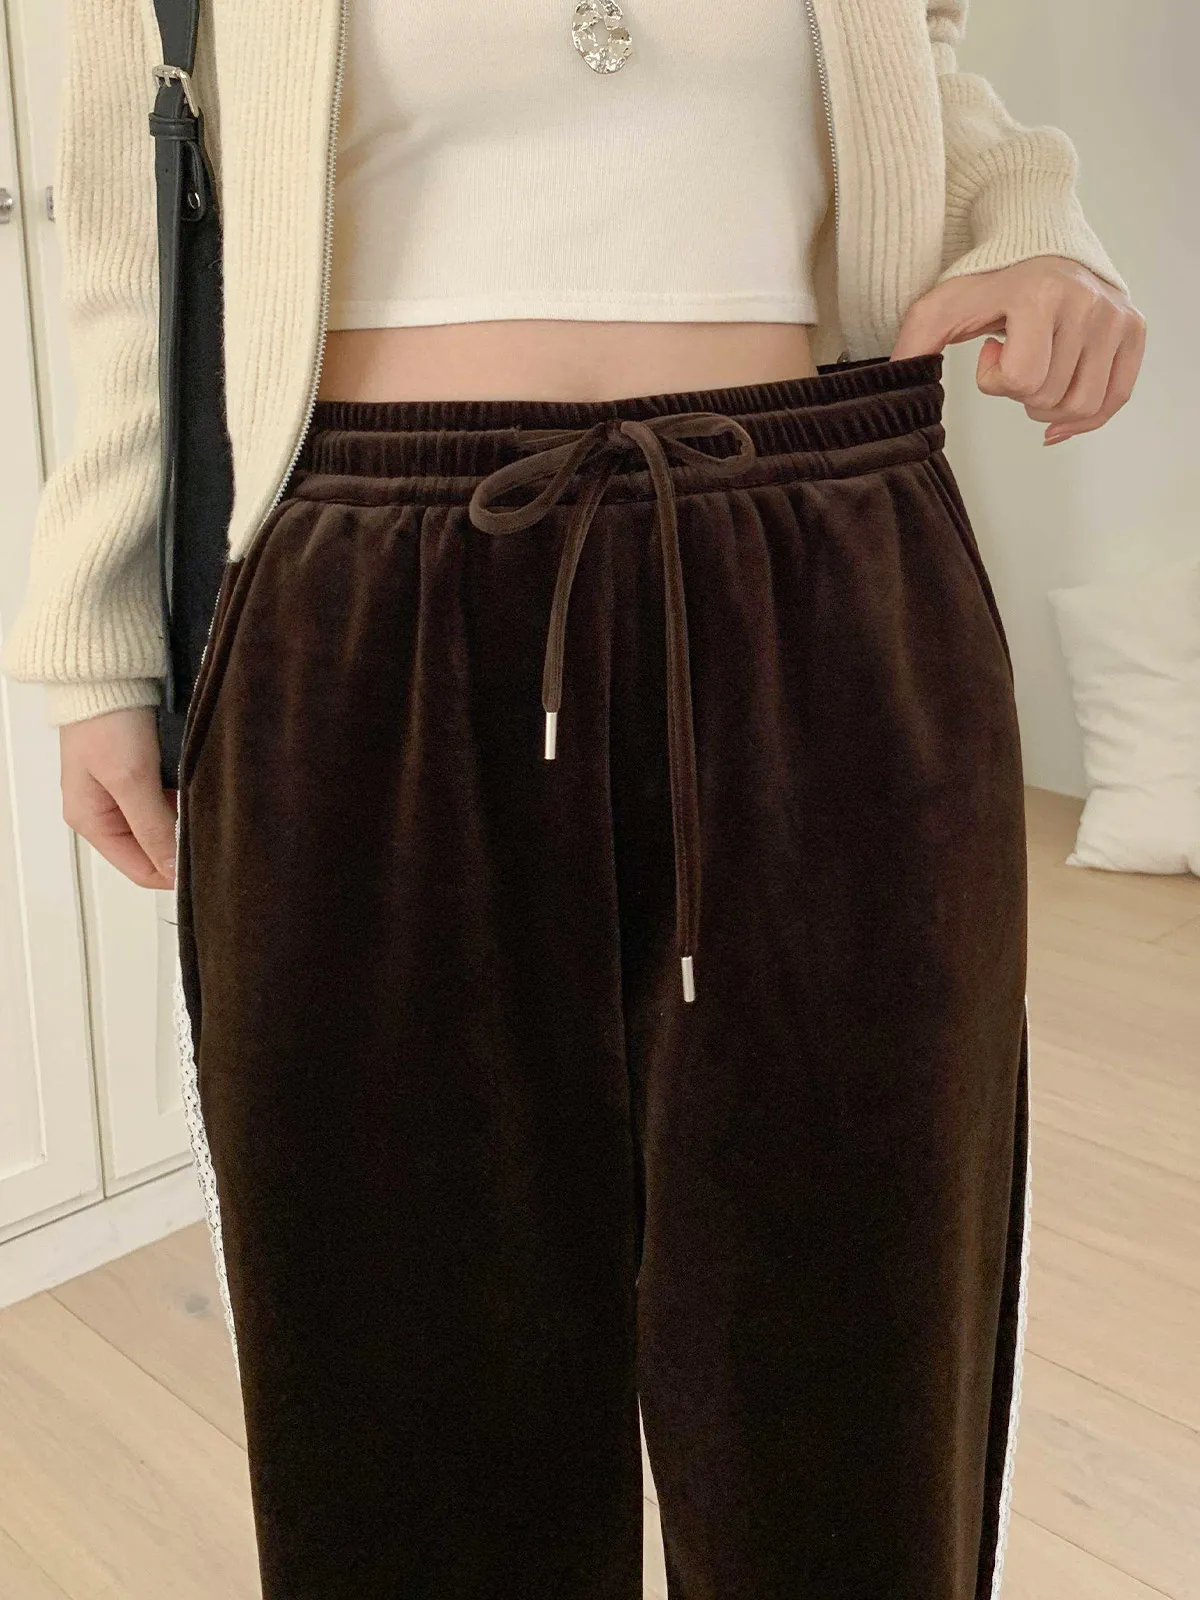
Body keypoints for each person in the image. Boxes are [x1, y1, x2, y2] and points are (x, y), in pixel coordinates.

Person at [2, 2, 1145, 1596]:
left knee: (855, 1372)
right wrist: (97, 635)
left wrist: (1040, 227)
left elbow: (924, 76)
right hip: (363, 599)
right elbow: (132, 230)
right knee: (399, 1390)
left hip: (818, 570)